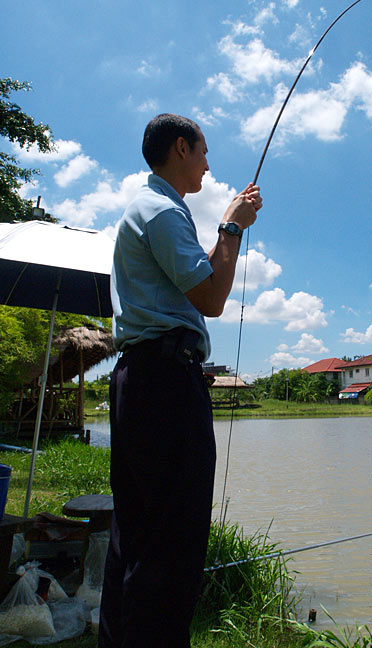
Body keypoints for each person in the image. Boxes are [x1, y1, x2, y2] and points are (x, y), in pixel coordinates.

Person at [99, 113, 262, 648]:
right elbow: (213, 299)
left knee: (137, 536)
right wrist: (232, 228)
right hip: (164, 383)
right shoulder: (163, 212)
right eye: (203, 151)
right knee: (174, 540)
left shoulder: (151, 209)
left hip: (146, 380)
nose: (208, 164)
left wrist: (225, 231)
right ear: (180, 147)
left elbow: (201, 285)